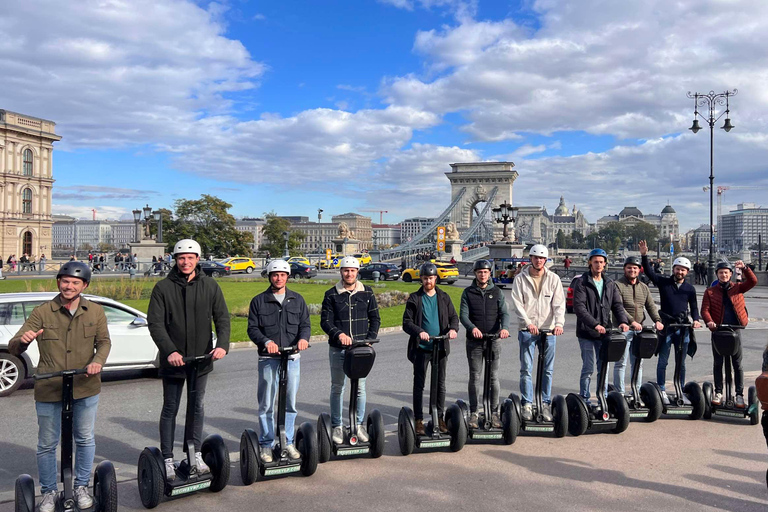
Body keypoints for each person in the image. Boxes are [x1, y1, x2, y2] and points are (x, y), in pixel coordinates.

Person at [9, 262, 111, 512]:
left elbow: (104, 343)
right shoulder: (42, 312)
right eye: (65, 281)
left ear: (84, 285)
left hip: (85, 385)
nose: (69, 286)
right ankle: (48, 492)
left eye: (76, 282)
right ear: (58, 282)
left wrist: (97, 362)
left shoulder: (95, 311)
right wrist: (22, 341)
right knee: (47, 443)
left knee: (84, 438)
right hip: (49, 386)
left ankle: (80, 487)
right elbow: (13, 346)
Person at [147, 239, 230, 481]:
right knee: (170, 408)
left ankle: (193, 455)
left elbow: (222, 318)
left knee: (197, 406)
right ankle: (167, 458)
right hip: (175, 361)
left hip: (201, 359)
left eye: (190, 257)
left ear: (197, 259)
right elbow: (156, 324)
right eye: (181, 258)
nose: (186, 262)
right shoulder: (163, 288)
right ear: (175, 259)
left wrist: (222, 345)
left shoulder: (210, 285)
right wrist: (170, 351)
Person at [247, 259, 310, 463]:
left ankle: (288, 441)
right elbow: (253, 328)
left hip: (291, 358)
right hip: (268, 358)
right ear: (269, 277)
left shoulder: (297, 300)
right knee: (266, 402)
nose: (279, 278)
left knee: (290, 402)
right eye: (275, 275)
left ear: (288, 277)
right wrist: (266, 341)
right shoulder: (259, 301)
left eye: (282, 275)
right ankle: (266, 444)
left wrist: (303, 339)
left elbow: (305, 325)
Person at [320, 256, 381, 444]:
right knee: (338, 387)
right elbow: (325, 321)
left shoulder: (367, 293)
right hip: (339, 348)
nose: (349, 274)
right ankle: (337, 426)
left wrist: (369, 339)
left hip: (361, 349)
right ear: (341, 272)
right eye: (346, 270)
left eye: (352, 271)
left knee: (360, 388)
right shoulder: (331, 294)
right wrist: (338, 334)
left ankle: (359, 424)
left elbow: (375, 319)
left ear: (357, 272)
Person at [639, 240, 701, 404]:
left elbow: (694, 307)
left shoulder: (690, 289)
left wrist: (695, 320)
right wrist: (644, 255)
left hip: (683, 327)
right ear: (673, 269)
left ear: (687, 272)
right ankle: (662, 389)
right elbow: (650, 274)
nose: (680, 272)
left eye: (683, 270)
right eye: (677, 269)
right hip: (667, 326)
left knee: (681, 363)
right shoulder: (665, 282)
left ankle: (680, 389)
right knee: (663, 361)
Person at [509, 245, 565, 421]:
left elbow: (558, 305)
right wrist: (528, 323)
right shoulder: (520, 279)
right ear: (530, 259)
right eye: (535, 258)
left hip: (548, 331)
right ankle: (527, 403)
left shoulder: (554, 279)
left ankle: (545, 402)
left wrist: (559, 324)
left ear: (546, 260)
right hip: (527, 331)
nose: (539, 261)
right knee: (526, 369)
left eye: (542, 258)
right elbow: (517, 304)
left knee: (547, 370)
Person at [402, 262, 459, 435]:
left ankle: (439, 417)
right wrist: (419, 332)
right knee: (419, 384)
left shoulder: (443, 297)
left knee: (440, 384)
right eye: (425, 278)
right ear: (421, 279)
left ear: (436, 279)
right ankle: (418, 420)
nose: (428, 281)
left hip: (440, 347)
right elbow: (407, 323)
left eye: (431, 278)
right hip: (422, 348)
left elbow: (454, 317)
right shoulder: (415, 298)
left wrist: (453, 330)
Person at [572, 248, 629, 403]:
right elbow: (579, 307)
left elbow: (617, 305)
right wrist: (595, 324)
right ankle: (584, 399)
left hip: (604, 332)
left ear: (605, 264)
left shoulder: (609, 283)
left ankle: (602, 398)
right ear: (590, 262)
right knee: (589, 368)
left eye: (601, 262)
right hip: (586, 332)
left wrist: (623, 321)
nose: (598, 265)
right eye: (595, 261)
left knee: (604, 366)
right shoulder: (582, 282)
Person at [460, 259, 511, 428]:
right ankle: (474, 412)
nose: (483, 275)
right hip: (475, 341)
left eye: (485, 272)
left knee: (493, 377)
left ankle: (494, 412)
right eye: (480, 272)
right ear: (475, 273)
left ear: (490, 273)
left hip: (494, 340)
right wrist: (472, 328)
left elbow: (504, 313)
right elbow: (464, 315)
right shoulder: (468, 293)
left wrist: (504, 328)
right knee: (475, 376)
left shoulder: (497, 292)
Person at [701, 260, 756, 407]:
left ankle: (739, 394)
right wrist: (710, 322)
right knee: (718, 363)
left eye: (726, 272)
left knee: (737, 364)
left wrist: (745, 268)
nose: (723, 275)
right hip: (718, 331)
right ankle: (718, 392)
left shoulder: (738, 288)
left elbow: (753, 281)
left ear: (730, 274)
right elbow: (704, 310)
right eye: (721, 272)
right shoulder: (710, 292)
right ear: (717, 274)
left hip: (735, 329)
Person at [613, 256, 664, 394]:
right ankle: (620, 394)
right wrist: (631, 322)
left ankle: (636, 393)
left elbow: (650, 306)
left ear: (639, 270)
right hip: (623, 328)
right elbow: (618, 307)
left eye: (635, 268)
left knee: (638, 364)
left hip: (640, 329)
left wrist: (657, 320)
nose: (632, 270)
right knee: (621, 363)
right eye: (629, 267)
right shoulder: (617, 285)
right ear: (624, 269)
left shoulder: (644, 287)